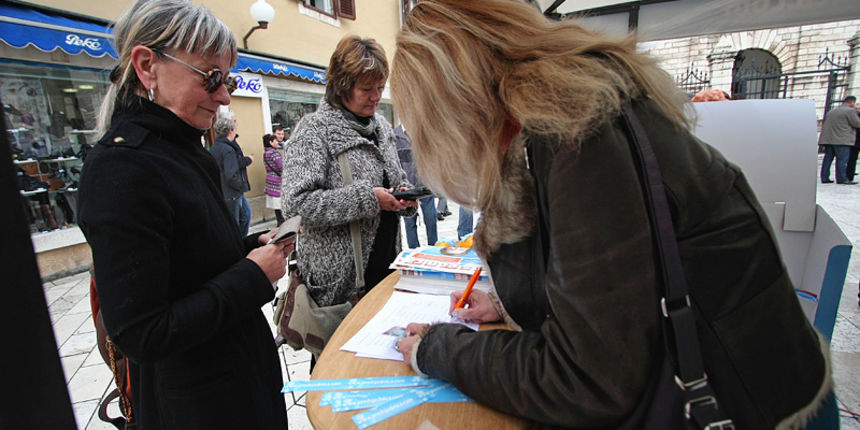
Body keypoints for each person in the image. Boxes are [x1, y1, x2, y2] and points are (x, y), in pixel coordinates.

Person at [390, 1, 834, 429]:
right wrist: (511, 299)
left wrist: (440, 348)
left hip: (744, 405)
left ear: (459, 102)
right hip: (741, 381)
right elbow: (608, 278)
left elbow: (586, 379)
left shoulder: (582, 139)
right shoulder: (577, 112)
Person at [77, 1, 290, 428]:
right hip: (198, 406)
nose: (225, 95)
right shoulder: (123, 169)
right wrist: (251, 275)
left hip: (239, 379)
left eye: (226, 80)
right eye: (211, 78)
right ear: (147, 66)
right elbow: (143, 333)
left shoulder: (185, 148)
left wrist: (250, 249)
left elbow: (193, 262)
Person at [281, 36, 417, 319]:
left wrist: (403, 195)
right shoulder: (313, 131)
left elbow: (393, 176)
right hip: (341, 290)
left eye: (380, 87)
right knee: (337, 362)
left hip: (386, 267)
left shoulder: (380, 125)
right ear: (341, 87)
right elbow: (295, 206)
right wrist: (368, 198)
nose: (376, 97)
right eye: (366, 88)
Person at [395, 124, 437, 248]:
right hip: (408, 190)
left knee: (431, 220)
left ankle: (434, 249)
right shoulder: (394, 136)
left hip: (425, 186)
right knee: (409, 223)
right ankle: (414, 251)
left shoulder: (425, 133)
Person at [210, 113, 253, 234]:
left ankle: (241, 242)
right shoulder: (227, 149)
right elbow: (231, 174)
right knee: (236, 222)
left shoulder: (216, 147)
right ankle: (239, 246)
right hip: (232, 192)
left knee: (246, 215)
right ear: (231, 131)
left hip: (229, 191)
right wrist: (240, 186)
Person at [819, 96, 860, 185]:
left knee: (828, 159)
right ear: (852, 102)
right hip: (842, 139)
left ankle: (825, 177)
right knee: (842, 160)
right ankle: (842, 179)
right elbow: (857, 123)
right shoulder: (850, 111)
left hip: (829, 139)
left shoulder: (832, 111)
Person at [262, 133, 285, 225]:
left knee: (277, 208)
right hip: (277, 183)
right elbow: (282, 167)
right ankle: (283, 226)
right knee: (281, 205)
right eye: (275, 140)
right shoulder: (274, 153)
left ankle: (279, 223)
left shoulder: (266, 153)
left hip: (270, 182)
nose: (277, 142)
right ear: (271, 142)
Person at [845, 108, 860, 182]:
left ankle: (849, 176)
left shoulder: (855, 116)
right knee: (852, 159)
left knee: (852, 159)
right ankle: (849, 175)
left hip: (855, 141)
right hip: (856, 140)